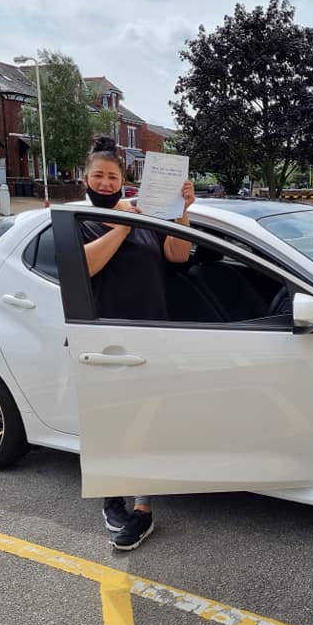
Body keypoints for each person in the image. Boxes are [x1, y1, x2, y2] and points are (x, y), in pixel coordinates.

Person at [80, 136, 195, 551]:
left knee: (146, 420)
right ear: (86, 178)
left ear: (123, 179)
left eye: (113, 177)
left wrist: (182, 212)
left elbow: (178, 255)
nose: (105, 183)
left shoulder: (145, 214)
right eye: (98, 175)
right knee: (113, 422)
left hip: (152, 331)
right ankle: (112, 497)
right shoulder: (81, 219)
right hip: (108, 337)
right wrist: (123, 225)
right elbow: (86, 265)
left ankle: (143, 508)